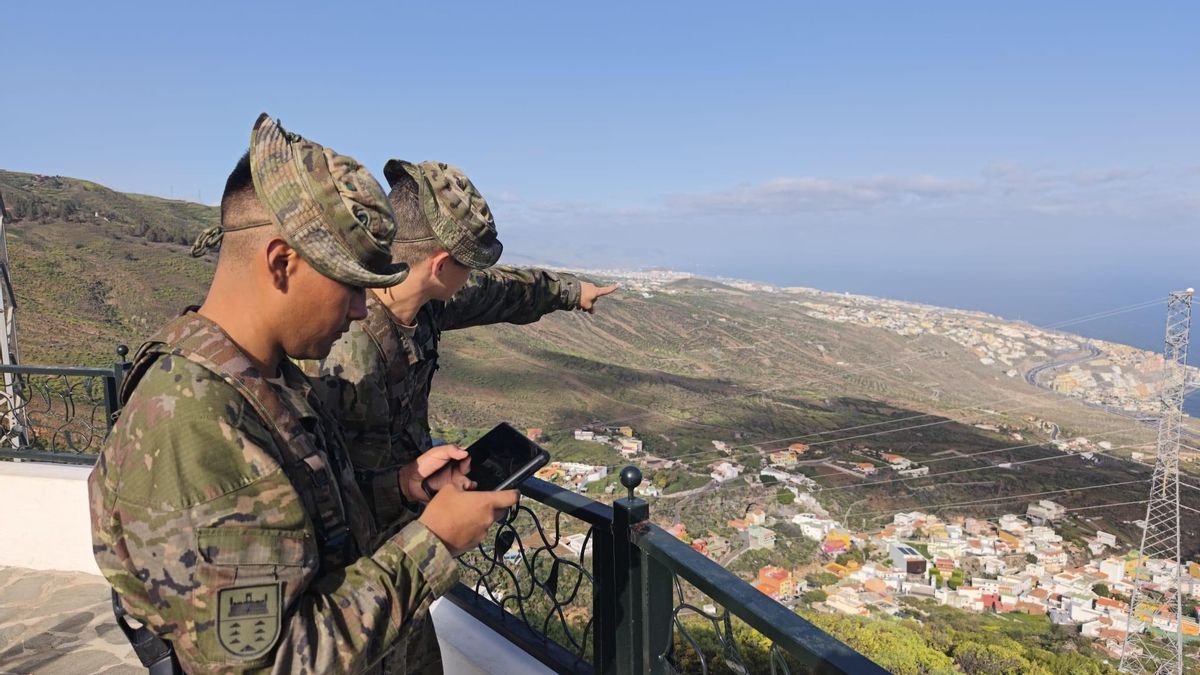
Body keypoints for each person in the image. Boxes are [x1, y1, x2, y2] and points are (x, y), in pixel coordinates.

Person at [89, 114, 517, 674]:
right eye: (354, 287)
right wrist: (435, 541)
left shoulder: (261, 377)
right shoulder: (193, 427)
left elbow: (306, 512)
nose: (363, 310)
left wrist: (402, 485)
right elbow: (273, 661)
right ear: (281, 262)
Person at [304, 159, 617, 529]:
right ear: (439, 267)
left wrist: (572, 291)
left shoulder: (426, 301)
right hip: (374, 552)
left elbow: (503, 290)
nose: (473, 276)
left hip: (413, 519)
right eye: (468, 265)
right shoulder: (347, 353)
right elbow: (330, 492)